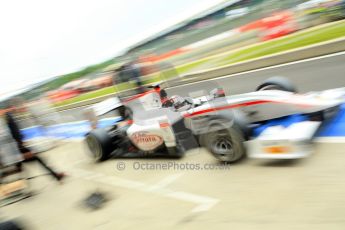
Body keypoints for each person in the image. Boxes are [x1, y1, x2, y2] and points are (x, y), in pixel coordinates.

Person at [4, 110, 65, 182]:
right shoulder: (11, 122)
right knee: (38, 160)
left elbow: (15, 137)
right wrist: (23, 151)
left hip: (17, 151)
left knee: (25, 165)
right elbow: (15, 137)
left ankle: (56, 175)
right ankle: (56, 176)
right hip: (18, 151)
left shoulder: (10, 122)